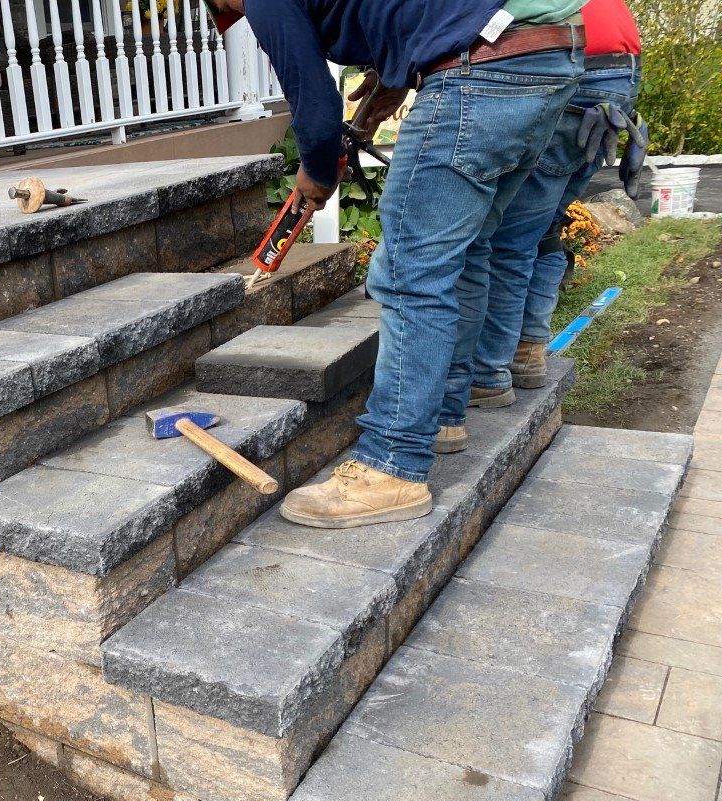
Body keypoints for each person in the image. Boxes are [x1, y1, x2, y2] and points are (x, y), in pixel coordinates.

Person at [208, 0, 586, 528]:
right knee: (467, 251)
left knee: (412, 276)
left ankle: (392, 464)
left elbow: (313, 103)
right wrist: (396, 77)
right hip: (548, 60)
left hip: (480, 69)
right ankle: (444, 419)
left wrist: (317, 171)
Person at [434, 0, 644, 454]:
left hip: (566, 61)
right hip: (617, 69)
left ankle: (490, 373)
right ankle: (526, 351)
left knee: (506, 239)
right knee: (543, 227)